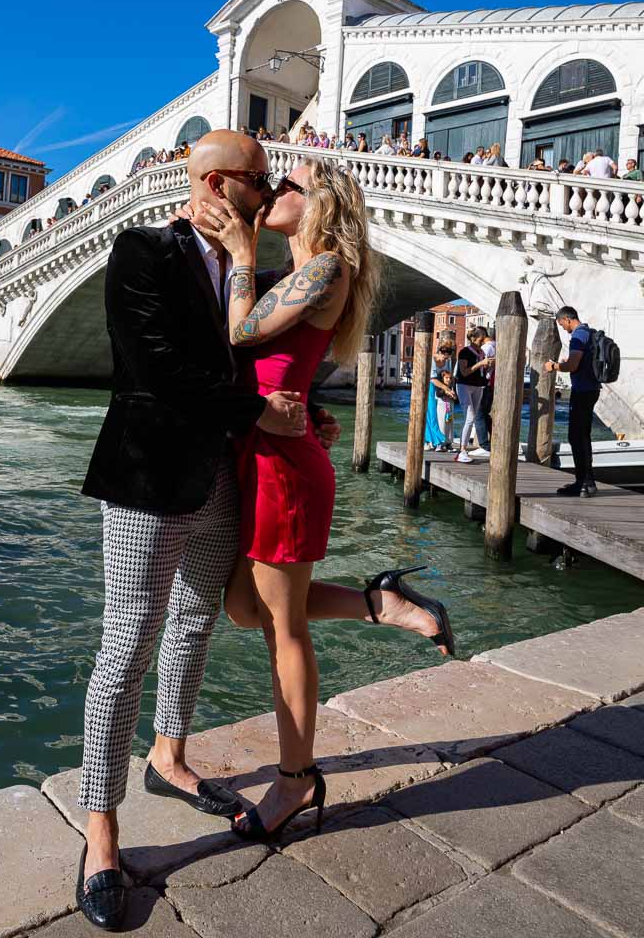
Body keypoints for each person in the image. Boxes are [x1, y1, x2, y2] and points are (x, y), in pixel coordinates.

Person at [76, 131, 312, 929]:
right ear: (218, 182)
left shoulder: (254, 271)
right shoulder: (141, 251)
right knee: (127, 643)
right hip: (147, 474)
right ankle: (100, 830)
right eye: (259, 177)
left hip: (220, 473)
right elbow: (154, 366)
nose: (268, 185)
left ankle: (168, 755)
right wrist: (254, 412)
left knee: (195, 619)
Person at [192, 156, 455, 845]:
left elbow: (242, 333)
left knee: (283, 627)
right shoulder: (302, 274)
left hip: (285, 470)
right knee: (247, 608)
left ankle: (295, 778)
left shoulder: (327, 266)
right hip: (268, 452)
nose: (274, 188)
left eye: (288, 184)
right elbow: (276, 366)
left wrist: (241, 251)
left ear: (319, 204)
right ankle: (381, 603)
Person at [545, 306, 601, 497]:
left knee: (576, 437)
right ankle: (588, 481)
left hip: (583, 391)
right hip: (591, 389)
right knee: (583, 436)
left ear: (568, 319)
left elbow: (573, 365)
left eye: (562, 325)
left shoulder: (578, 336)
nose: (563, 328)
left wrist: (554, 366)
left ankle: (582, 483)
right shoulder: (590, 333)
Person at [453, 327, 493, 462]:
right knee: (470, 418)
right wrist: (481, 363)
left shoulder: (481, 352)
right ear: (473, 339)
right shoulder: (464, 352)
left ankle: (463, 450)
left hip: (478, 386)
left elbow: (480, 370)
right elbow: (464, 372)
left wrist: (486, 365)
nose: (483, 341)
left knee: (474, 417)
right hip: (464, 385)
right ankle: (462, 451)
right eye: (481, 339)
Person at [426, 340, 456, 450]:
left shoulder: (447, 361)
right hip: (431, 387)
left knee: (442, 416)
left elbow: (448, 376)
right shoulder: (432, 360)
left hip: (442, 389)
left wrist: (449, 391)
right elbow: (433, 379)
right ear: (439, 352)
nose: (445, 358)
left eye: (447, 357)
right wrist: (446, 389)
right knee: (432, 414)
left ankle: (439, 440)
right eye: (443, 355)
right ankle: (435, 440)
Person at [435, 370, 457, 449]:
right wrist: (445, 392)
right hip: (442, 408)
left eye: (450, 378)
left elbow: (456, 399)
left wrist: (454, 397)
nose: (449, 380)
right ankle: (441, 442)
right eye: (446, 378)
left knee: (450, 425)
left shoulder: (452, 387)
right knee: (442, 424)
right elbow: (438, 394)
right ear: (442, 378)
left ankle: (449, 442)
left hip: (450, 409)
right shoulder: (440, 386)